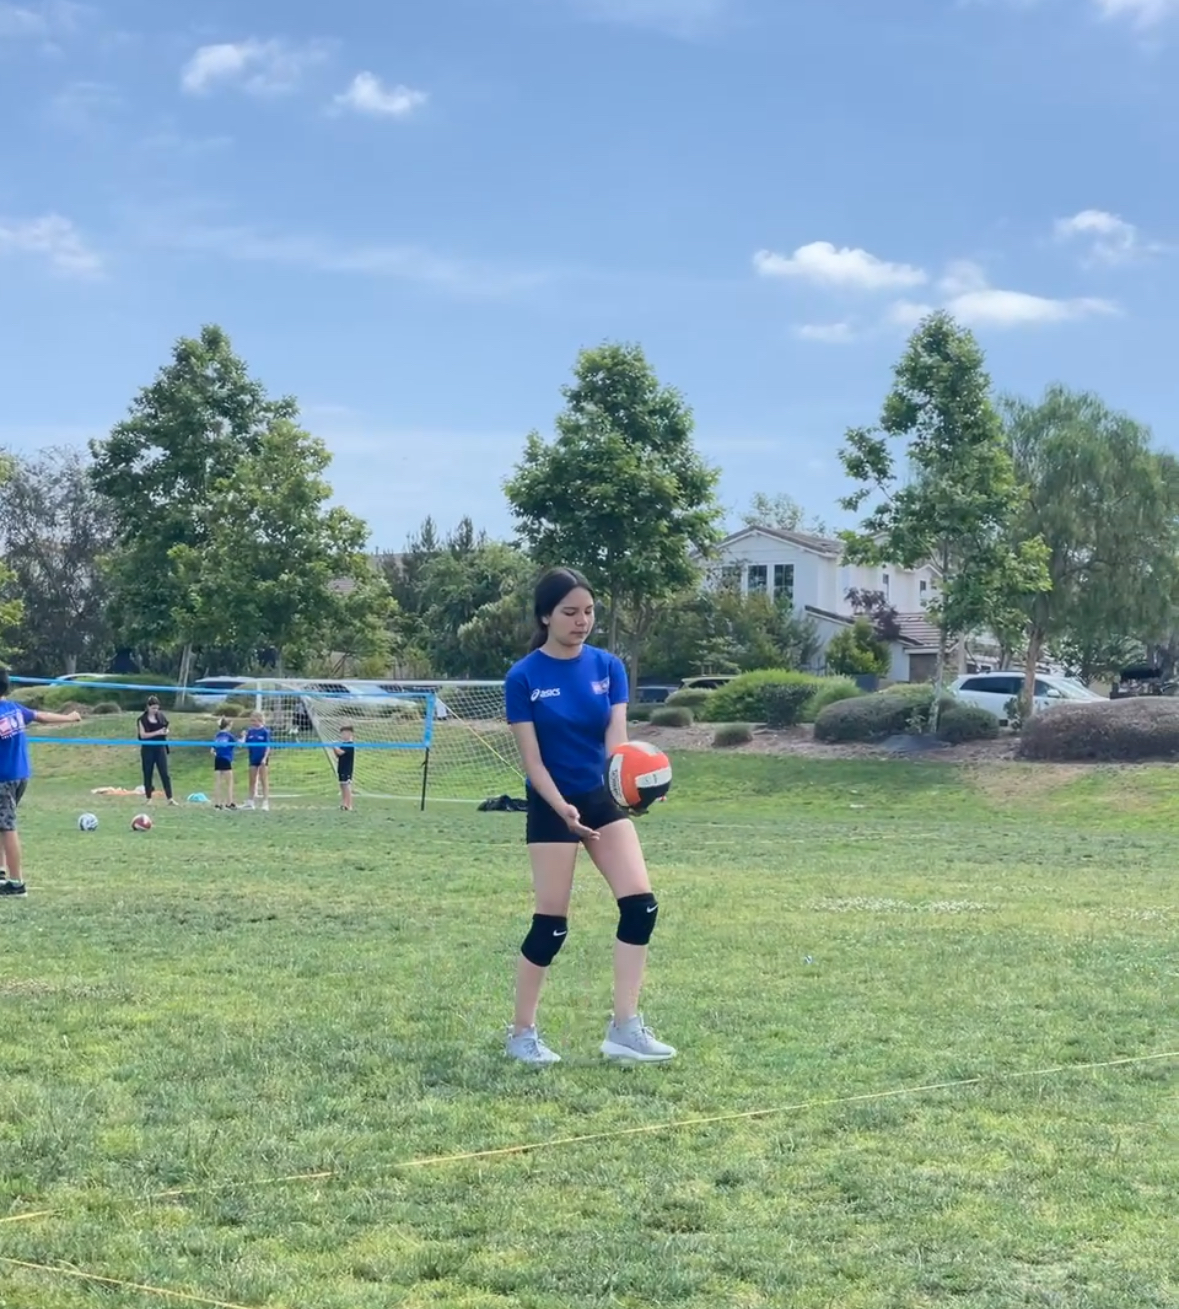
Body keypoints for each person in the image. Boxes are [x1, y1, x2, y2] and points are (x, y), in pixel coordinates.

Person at [502, 567, 675, 1066]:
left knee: (641, 907)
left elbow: (617, 744)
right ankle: (521, 1034)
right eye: (570, 612)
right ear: (545, 616)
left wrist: (635, 788)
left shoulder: (608, 667)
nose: (582, 621)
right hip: (551, 803)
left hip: (601, 799)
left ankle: (625, 1028)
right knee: (551, 926)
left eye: (589, 611)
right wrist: (562, 808)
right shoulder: (523, 677)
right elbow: (533, 762)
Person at [0, 669, 82, 897]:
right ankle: (2, 873)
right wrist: (70, 718)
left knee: (7, 827)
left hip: (3, 779)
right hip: (20, 775)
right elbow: (42, 716)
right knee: (2, 823)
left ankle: (16, 884)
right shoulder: (15, 710)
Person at [137, 695, 177, 805]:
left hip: (160, 747)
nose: (155, 710)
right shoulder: (142, 719)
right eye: (153, 708)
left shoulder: (161, 716)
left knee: (164, 773)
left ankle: (170, 798)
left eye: (157, 708)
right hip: (148, 749)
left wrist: (165, 731)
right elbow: (143, 735)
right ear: (148, 707)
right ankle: (148, 798)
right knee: (148, 773)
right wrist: (157, 732)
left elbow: (166, 727)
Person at [242, 711, 271, 811]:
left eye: (254, 720)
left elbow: (268, 746)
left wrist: (264, 758)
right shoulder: (250, 731)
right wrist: (243, 736)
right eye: (251, 721)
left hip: (262, 758)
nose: (252, 723)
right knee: (252, 780)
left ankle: (265, 803)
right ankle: (250, 802)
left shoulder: (265, 731)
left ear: (260, 720)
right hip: (253, 758)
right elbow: (245, 744)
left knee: (264, 780)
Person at [210, 717, 237, 809]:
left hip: (218, 759)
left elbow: (212, 750)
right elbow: (239, 744)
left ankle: (217, 804)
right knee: (229, 783)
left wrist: (218, 754)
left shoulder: (217, 736)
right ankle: (229, 803)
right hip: (226, 760)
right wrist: (244, 736)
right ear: (228, 726)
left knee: (218, 783)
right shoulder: (229, 736)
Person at [333, 724, 355, 811]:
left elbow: (340, 752)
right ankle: (344, 804)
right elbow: (338, 755)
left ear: (350, 734)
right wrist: (334, 747)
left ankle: (349, 805)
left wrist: (334, 745)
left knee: (347, 786)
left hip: (347, 768)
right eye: (342, 733)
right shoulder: (343, 744)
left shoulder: (350, 744)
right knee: (342, 785)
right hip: (341, 767)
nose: (343, 735)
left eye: (345, 733)